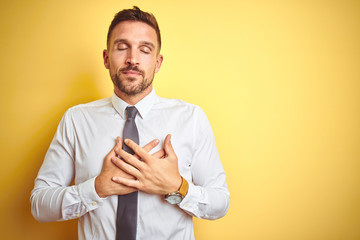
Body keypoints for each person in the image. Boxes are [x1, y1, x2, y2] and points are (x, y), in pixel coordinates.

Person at [31, 6, 230, 240]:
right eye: (122, 47)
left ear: (157, 62)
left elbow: (220, 202)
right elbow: (39, 205)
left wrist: (176, 186)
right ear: (106, 58)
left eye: (145, 50)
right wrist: (96, 188)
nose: (132, 59)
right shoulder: (76, 120)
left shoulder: (191, 118)